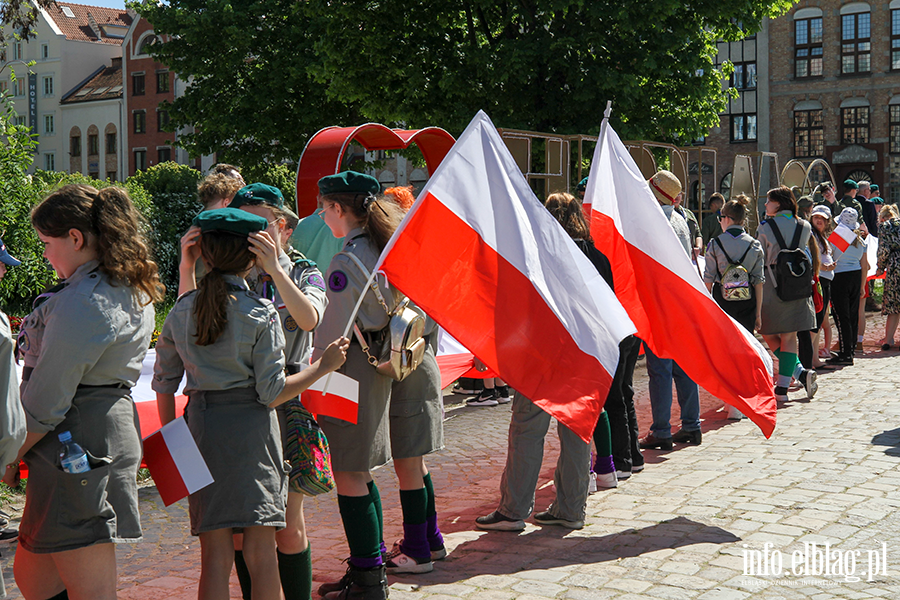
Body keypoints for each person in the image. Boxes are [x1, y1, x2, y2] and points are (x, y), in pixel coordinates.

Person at [153, 208, 349, 600]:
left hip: (200, 431)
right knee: (261, 553)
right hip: (253, 436)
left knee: (214, 558)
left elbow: (165, 382)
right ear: (252, 256)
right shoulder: (259, 313)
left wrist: (175, 440)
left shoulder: (182, 310)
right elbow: (272, 392)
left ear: (203, 254)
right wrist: (324, 367)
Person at [2, 184, 164, 600]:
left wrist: (8, 454)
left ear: (75, 238)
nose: (43, 254)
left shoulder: (84, 300)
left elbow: (45, 402)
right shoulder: (126, 283)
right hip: (91, 440)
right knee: (35, 575)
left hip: (76, 448)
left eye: (46, 242)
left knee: (86, 587)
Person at [475, 192, 607, 533]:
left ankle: (514, 509)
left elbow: (520, 307)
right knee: (577, 432)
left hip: (541, 356)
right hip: (583, 357)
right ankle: (571, 509)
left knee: (526, 432)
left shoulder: (540, 255)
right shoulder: (598, 257)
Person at [227, 184, 329, 600]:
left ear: (283, 227)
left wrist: (276, 269)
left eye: (260, 224)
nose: (251, 235)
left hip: (289, 397)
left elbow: (308, 319)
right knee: (239, 529)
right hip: (238, 401)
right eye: (242, 224)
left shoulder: (304, 271)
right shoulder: (229, 270)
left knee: (288, 525)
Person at [313, 171, 405, 600]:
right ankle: (371, 568)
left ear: (337, 208)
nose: (321, 215)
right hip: (376, 364)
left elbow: (329, 335)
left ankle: (368, 579)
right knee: (362, 473)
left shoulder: (345, 261)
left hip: (350, 372)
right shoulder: (381, 246)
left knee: (349, 471)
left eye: (323, 207)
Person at [639, 171, 701, 450]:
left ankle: (662, 429)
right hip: (682, 301)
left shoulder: (651, 222)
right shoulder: (680, 220)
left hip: (659, 303)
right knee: (685, 367)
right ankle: (692, 424)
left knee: (660, 370)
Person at [756, 186, 817, 401]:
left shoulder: (765, 227)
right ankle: (788, 383)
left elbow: (759, 257)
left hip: (772, 285)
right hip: (798, 285)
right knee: (790, 336)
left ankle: (794, 376)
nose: (765, 205)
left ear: (779, 203)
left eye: (768, 201)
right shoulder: (805, 226)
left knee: (765, 331)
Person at [703, 193, 764, 334]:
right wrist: (758, 314)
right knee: (746, 346)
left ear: (727, 219)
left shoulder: (715, 244)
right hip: (747, 301)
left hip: (722, 301)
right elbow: (759, 282)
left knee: (724, 345)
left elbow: (708, 280)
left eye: (720, 218)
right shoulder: (755, 245)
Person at [828, 208, 868, 366]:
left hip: (840, 277)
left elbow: (830, 257)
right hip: (856, 276)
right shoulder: (861, 242)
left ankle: (845, 353)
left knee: (841, 315)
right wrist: (863, 286)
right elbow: (864, 266)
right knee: (852, 315)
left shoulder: (835, 239)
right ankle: (850, 349)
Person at [806, 205, 836, 369]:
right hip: (818, 280)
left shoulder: (822, 237)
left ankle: (814, 358)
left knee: (818, 322)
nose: (819, 220)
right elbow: (812, 259)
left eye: (823, 219)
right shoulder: (811, 236)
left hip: (825, 281)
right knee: (815, 322)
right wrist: (825, 268)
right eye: (817, 217)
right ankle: (805, 356)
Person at [877, 204, 900, 349]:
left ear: (883, 217)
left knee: (893, 304)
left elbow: (883, 250)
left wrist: (880, 267)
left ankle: (889, 339)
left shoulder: (885, 226)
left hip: (895, 264)